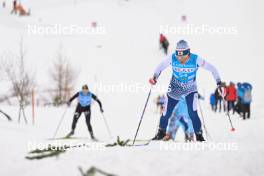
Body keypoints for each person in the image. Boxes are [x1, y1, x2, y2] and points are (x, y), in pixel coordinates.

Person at [149, 40, 222, 141]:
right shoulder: (172, 57)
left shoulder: (196, 59)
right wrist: (155, 77)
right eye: (178, 56)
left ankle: (199, 135)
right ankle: (161, 133)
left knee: (193, 113)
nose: (180, 59)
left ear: (188, 53)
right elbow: (160, 66)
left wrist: (219, 83)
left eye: (183, 57)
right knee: (166, 112)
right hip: (175, 88)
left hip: (190, 89)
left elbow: (213, 69)